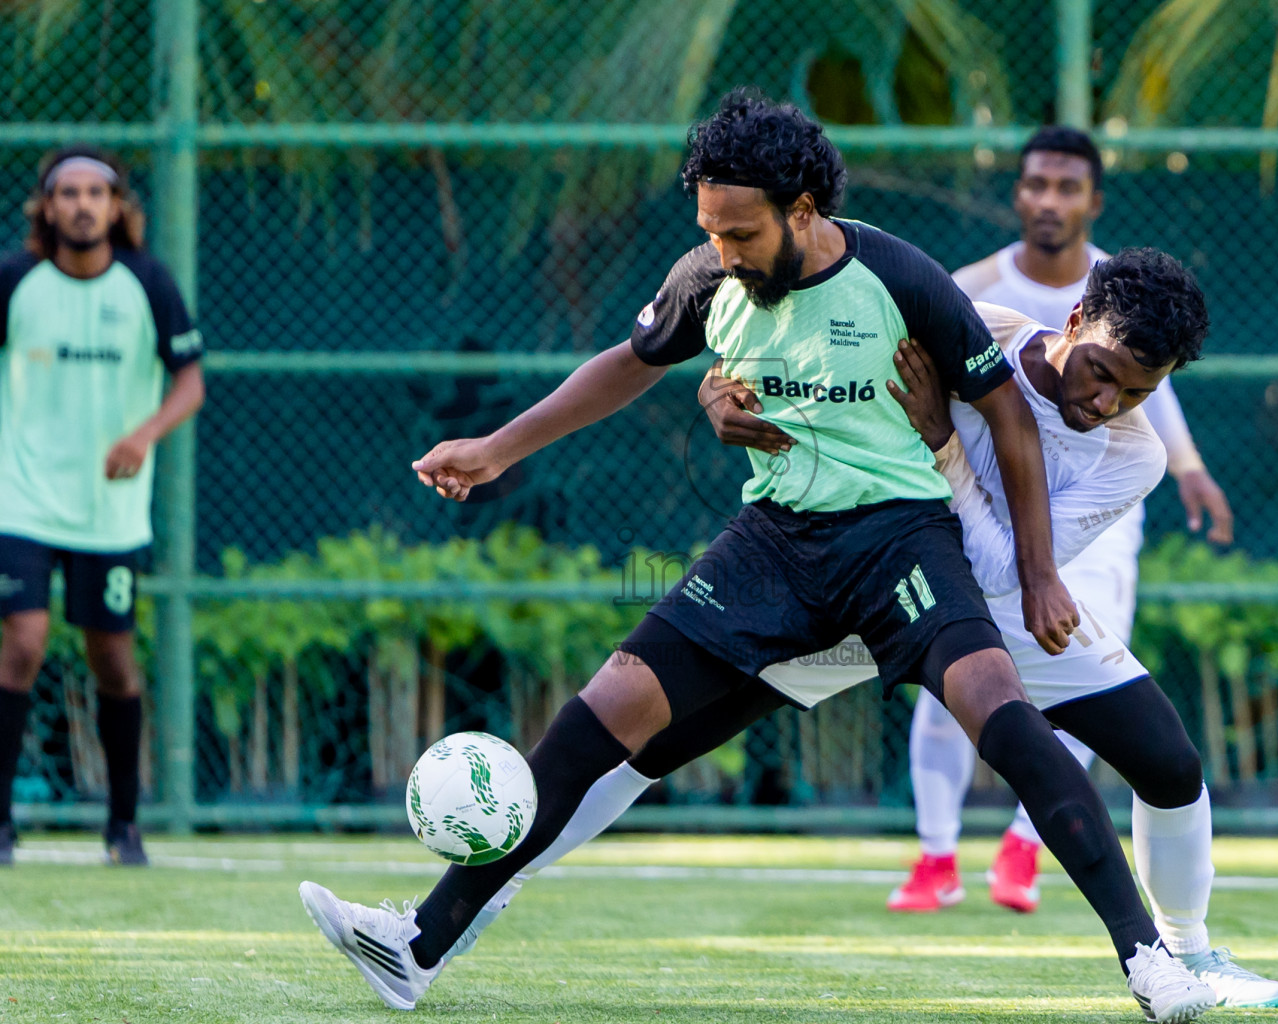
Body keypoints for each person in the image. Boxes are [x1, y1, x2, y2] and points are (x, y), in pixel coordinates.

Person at [297, 91, 1218, 1023]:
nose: (724, 252)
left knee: (1017, 720)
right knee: (612, 725)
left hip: (904, 541)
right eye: (712, 231)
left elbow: (1009, 418)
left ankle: (1157, 961)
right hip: (775, 543)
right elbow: (631, 361)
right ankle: (421, 942)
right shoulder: (713, 278)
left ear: (804, 212)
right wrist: (499, 449)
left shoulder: (907, 280)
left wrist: (1036, 569)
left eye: (740, 233)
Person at [440, 254, 1278, 1014]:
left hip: (1000, 614)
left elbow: (1001, 571)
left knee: (1170, 763)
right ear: (1074, 322)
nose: (1107, 402)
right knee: (654, 747)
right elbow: (823, 385)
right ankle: (490, 889)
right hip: (870, 583)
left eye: (1137, 392)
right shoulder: (968, 325)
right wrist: (720, 388)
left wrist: (941, 446)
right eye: (1103, 371)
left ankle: (1191, 954)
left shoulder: (1134, 454)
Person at [890, 125, 1235, 919]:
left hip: (1084, 535)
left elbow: (1154, 396)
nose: (1050, 200)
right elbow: (888, 360)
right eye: (1037, 184)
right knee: (941, 693)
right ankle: (937, 854)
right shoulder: (973, 296)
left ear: (1093, 201)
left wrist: (1187, 469)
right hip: (943, 534)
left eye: (1068, 187)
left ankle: (1031, 847)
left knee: (1109, 700)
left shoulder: (1137, 329)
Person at [0, 146, 206, 867]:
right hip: (20, 498)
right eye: (68, 192)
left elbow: (190, 381)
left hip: (109, 512)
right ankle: (1, 823)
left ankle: (122, 824)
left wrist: (145, 433)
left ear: (118, 207)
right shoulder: (15, 280)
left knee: (111, 657)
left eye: (97, 192)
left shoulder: (148, 282)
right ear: (46, 207)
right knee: (21, 644)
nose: (82, 204)